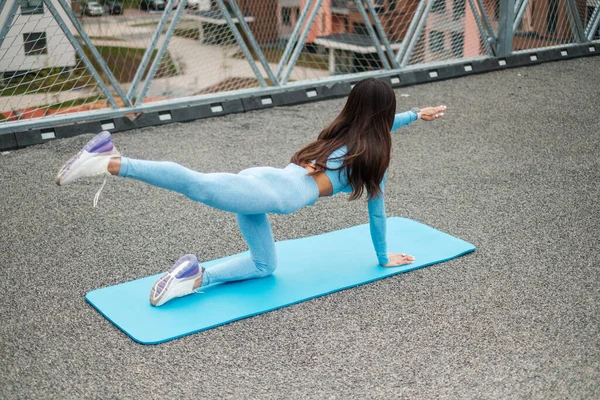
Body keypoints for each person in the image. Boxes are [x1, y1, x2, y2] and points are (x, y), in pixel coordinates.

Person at [55, 78, 446, 307]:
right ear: (384, 116)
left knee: (265, 266)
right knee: (199, 184)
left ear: (354, 108)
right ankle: (111, 161)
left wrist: (415, 115)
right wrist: (382, 257)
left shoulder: (346, 134)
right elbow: (377, 213)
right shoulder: (372, 159)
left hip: (269, 182)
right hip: (273, 194)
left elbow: (379, 123)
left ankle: (191, 277)